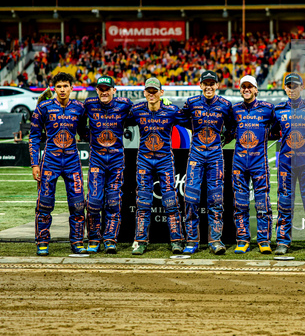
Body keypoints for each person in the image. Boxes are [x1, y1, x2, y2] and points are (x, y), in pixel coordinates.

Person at [127, 77, 189, 255]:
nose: (152, 94)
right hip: (144, 161)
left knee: (171, 201)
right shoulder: (137, 110)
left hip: (164, 161)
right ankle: (140, 241)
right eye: (149, 91)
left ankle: (177, 241)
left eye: (155, 91)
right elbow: (117, 118)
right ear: (144, 93)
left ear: (161, 93)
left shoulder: (171, 111)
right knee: (143, 202)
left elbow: (189, 120)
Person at [29, 72, 88, 256]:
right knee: (44, 204)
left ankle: (77, 242)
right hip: (50, 161)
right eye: (59, 86)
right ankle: (42, 242)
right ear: (54, 88)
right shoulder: (43, 107)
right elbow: (34, 136)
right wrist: (34, 164)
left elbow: (84, 132)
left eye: (66, 86)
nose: (62, 90)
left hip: (72, 160)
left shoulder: (79, 107)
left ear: (72, 88)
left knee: (78, 204)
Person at [181, 70, 235, 255]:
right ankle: (192, 240)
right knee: (191, 199)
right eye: (206, 83)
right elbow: (180, 119)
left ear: (217, 86)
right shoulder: (191, 103)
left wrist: (223, 141)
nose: (209, 86)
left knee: (216, 200)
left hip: (215, 157)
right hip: (195, 156)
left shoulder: (225, 105)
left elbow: (233, 127)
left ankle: (215, 241)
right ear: (201, 85)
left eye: (212, 83)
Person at [272, 73, 305, 256]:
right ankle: (283, 242)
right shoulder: (278, 110)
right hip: (286, 164)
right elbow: (270, 132)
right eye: (288, 86)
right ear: (285, 88)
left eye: (295, 86)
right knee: (284, 204)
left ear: (302, 87)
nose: (292, 89)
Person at [83, 76, 134, 254]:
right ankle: (94, 238)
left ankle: (110, 239)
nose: (104, 92)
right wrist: (87, 138)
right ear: (96, 90)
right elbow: (81, 125)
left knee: (113, 202)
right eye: (101, 88)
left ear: (114, 90)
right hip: (97, 159)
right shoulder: (89, 104)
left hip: (116, 160)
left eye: (108, 88)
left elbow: (139, 115)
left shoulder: (125, 104)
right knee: (93, 202)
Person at [231, 75, 277, 254]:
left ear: (256, 89)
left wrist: (266, 136)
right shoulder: (234, 110)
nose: (247, 89)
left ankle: (263, 240)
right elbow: (228, 129)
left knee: (262, 203)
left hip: (259, 163)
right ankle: (242, 239)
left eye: (250, 86)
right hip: (239, 163)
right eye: (244, 87)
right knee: (240, 204)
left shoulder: (267, 109)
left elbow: (278, 128)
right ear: (240, 89)